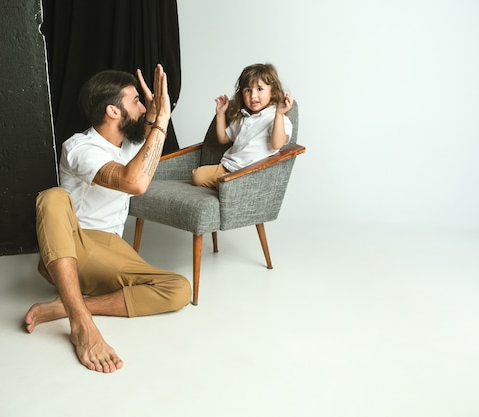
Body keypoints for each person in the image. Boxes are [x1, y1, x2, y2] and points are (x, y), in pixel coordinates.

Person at [24, 64, 191, 373]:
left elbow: (147, 148)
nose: (142, 108)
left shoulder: (130, 145)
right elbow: (135, 182)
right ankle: (82, 324)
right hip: (73, 247)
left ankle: (67, 306)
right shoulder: (80, 148)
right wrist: (161, 121)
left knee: (179, 288)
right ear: (114, 111)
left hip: (111, 252)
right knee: (52, 198)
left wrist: (155, 117)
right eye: (135, 101)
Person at [191, 63, 294, 188]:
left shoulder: (276, 118)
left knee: (230, 185)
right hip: (228, 167)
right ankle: (226, 186)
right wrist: (220, 114)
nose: (253, 96)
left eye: (259, 89)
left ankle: (229, 187)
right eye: (248, 90)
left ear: (273, 91)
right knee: (197, 176)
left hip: (249, 172)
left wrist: (279, 114)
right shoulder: (243, 117)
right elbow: (223, 138)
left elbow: (276, 144)